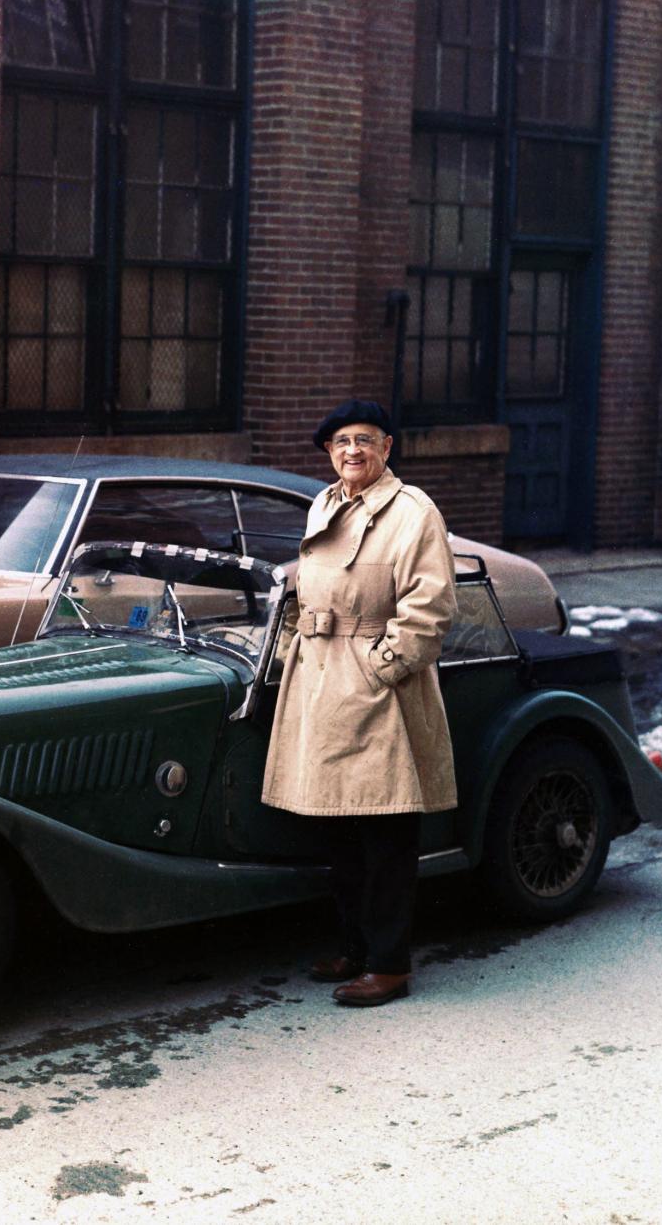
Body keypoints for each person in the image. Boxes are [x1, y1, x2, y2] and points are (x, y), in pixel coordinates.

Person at [262, 398, 457, 1007]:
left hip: (377, 687)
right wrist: (291, 644)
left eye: (366, 440)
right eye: (343, 441)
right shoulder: (326, 502)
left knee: (386, 828)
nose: (353, 451)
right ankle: (354, 947)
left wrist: (381, 667)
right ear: (329, 451)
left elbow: (430, 608)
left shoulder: (412, 511)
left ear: (387, 449)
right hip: (320, 679)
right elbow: (309, 584)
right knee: (338, 828)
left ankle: (390, 964)